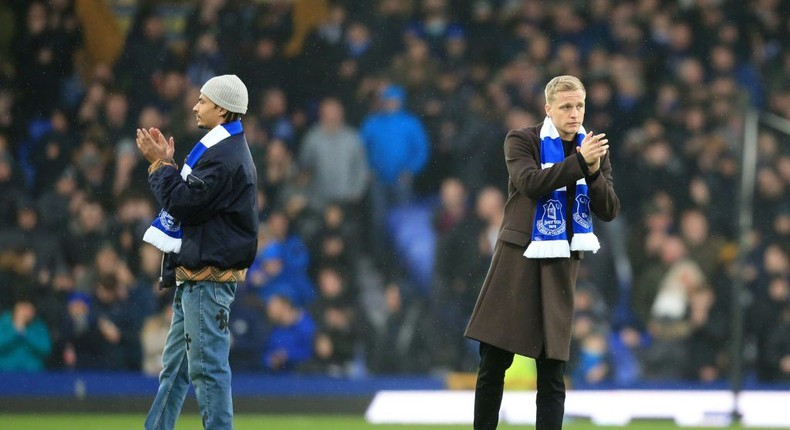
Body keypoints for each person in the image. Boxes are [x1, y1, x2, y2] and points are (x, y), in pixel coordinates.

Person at [464, 75, 620, 430]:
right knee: (493, 362)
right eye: (566, 106)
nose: (575, 113)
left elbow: (609, 210)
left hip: (560, 265)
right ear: (548, 108)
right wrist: (581, 164)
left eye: (580, 105)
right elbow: (531, 183)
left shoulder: (593, 149)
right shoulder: (522, 140)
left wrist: (594, 173)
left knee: (553, 372)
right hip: (517, 259)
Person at [136, 74, 258, 430]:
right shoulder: (222, 149)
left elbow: (184, 204)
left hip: (207, 280)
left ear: (221, 109)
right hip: (197, 276)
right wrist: (169, 167)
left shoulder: (223, 156)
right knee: (174, 370)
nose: (195, 105)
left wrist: (161, 166)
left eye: (202, 100)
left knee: (207, 371)